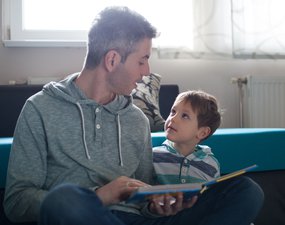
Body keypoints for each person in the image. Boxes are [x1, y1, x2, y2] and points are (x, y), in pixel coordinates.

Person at [3, 6, 264, 225]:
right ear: (112, 60)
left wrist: (157, 205)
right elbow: (16, 202)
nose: (146, 71)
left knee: (245, 191)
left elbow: (143, 192)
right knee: (64, 199)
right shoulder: (40, 109)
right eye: (142, 60)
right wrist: (100, 196)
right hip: (86, 216)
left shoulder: (136, 120)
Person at [153, 90, 221, 185]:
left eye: (184, 116)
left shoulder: (211, 164)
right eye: (173, 111)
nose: (173, 118)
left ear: (202, 133)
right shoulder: (154, 156)